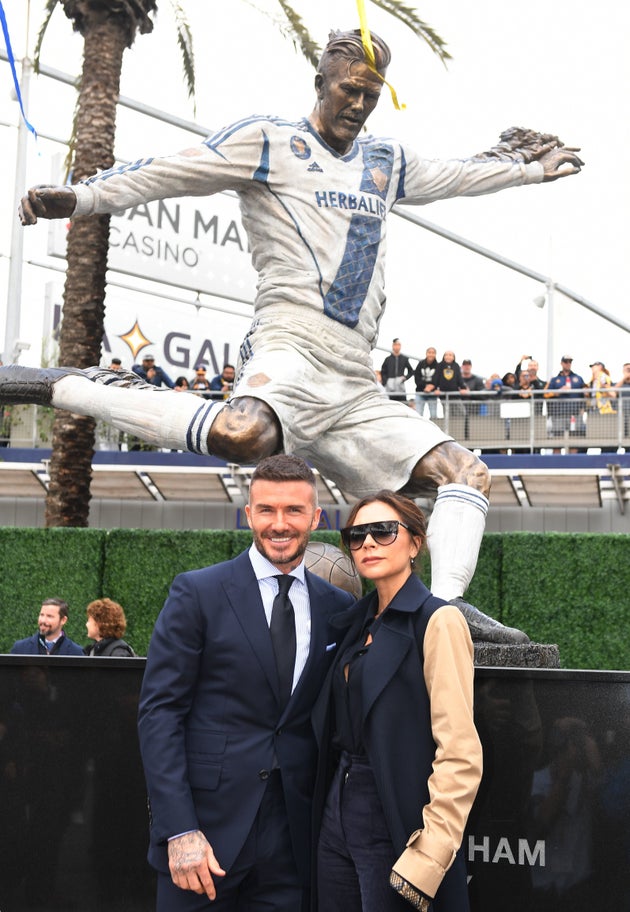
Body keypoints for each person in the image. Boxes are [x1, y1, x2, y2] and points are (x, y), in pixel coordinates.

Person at [7, 28, 583, 645]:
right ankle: (73, 384)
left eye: (372, 93)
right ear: (321, 84)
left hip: (355, 378)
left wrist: (528, 167)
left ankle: (442, 612)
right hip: (291, 345)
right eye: (350, 89)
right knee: (242, 433)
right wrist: (85, 195)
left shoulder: (386, 161)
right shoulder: (269, 141)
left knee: (463, 472)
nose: (359, 104)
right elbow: (174, 171)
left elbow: (460, 175)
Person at [137, 453, 355, 911]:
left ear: (315, 517)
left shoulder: (337, 607)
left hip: (293, 843)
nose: (280, 524)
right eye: (268, 510)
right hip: (203, 837)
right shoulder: (197, 592)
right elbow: (161, 714)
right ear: (248, 513)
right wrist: (179, 830)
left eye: (294, 510)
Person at [312, 491, 482, 912]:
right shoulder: (357, 622)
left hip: (398, 819)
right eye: (356, 535)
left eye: (384, 531)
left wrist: (430, 853)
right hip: (338, 811)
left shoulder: (438, 621)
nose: (368, 543)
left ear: (415, 543)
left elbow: (460, 752)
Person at [10, 597, 84, 655]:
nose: (43, 620)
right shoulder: (20, 648)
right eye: (41, 615)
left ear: (63, 620)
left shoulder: (76, 652)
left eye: (49, 616)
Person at [543, 356, 586, 447]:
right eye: (566, 362)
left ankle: (574, 461)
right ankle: (557, 461)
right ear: (562, 363)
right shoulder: (555, 380)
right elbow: (546, 394)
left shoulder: (578, 378)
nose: (568, 364)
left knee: (575, 441)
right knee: (557, 441)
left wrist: (583, 408)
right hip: (559, 414)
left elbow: (585, 395)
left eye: (569, 362)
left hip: (575, 414)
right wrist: (557, 392)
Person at [432, 351, 466, 419]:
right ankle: (450, 429)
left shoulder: (456, 366)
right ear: (443, 357)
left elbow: (459, 378)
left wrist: (463, 388)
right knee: (448, 415)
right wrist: (435, 389)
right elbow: (436, 378)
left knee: (462, 412)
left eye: (450, 355)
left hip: (455, 394)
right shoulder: (440, 365)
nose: (448, 356)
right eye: (446, 355)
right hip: (444, 395)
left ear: (453, 357)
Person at [413, 346, 439, 418]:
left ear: (435, 354)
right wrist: (425, 387)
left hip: (432, 394)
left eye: (433, 353)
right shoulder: (420, 364)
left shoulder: (438, 366)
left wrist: (432, 387)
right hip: (420, 392)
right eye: (429, 352)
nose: (431, 354)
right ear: (426, 353)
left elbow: (438, 379)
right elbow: (416, 378)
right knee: (418, 415)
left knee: (434, 415)